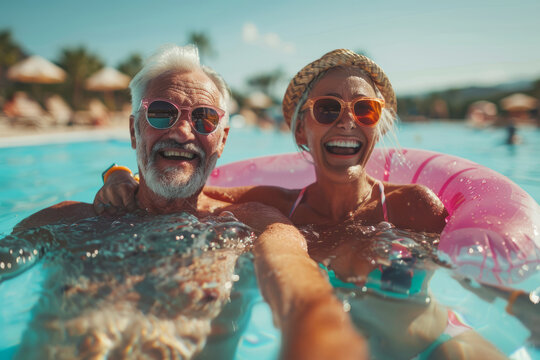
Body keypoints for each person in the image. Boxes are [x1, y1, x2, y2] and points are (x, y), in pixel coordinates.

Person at [96, 49, 508, 359]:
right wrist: (121, 174)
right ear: (301, 130)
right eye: (328, 108)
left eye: (364, 110)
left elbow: (473, 276)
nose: (347, 121)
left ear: (377, 129)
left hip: (436, 347)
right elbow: (190, 195)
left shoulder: (413, 207)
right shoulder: (277, 207)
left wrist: (522, 310)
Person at [7, 45, 366, 360]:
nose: (181, 131)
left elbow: (301, 291)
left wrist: (324, 337)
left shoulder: (252, 226)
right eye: (162, 113)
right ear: (134, 131)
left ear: (222, 140)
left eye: (204, 118)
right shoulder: (62, 222)